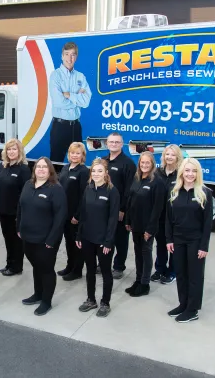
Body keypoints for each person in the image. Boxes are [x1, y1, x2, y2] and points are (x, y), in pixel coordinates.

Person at [17, 157, 67, 316]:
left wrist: (52, 240)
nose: (41, 169)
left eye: (45, 167)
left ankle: (46, 301)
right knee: (36, 266)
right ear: (34, 169)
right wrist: (19, 227)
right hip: (27, 236)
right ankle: (37, 294)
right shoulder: (28, 185)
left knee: (46, 269)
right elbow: (21, 207)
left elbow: (60, 217)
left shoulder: (55, 189)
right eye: (38, 167)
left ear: (50, 170)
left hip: (46, 240)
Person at [166, 158, 214, 323]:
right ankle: (183, 304)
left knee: (194, 276)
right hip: (178, 240)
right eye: (187, 170)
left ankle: (192, 309)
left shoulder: (204, 193)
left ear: (198, 173)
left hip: (195, 241)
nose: (190, 174)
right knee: (180, 273)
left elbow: (208, 223)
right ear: (181, 172)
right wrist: (169, 239)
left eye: (194, 171)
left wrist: (204, 246)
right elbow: (168, 218)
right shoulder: (174, 191)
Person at [76, 158, 119, 317]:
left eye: (100, 171)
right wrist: (79, 235)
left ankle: (105, 302)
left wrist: (108, 241)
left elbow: (113, 219)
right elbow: (83, 214)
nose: (96, 174)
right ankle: (91, 299)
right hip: (87, 237)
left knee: (106, 272)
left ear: (106, 173)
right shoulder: (88, 188)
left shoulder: (112, 191)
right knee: (90, 269)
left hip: (103, 241)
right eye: (93, 171)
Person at [124, 151, 166, 297]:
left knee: (145, 253)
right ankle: (138, 280)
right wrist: (128, 220)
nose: (144, 165)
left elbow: (157, 208)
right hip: (135, 224)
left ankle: (145, 283)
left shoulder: (157, 182)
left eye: (147, 163)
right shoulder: (136, 178)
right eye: (142, 163)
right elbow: (130, 201)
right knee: (137, 253)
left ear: (152, 164)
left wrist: (150, 228)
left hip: (147, 226)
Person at [48, 42, 92, 163]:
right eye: (66, 54)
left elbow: (87, 102)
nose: (69, 58)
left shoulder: (80, 76)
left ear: (76, 57)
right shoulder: (55, 76)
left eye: (72, 55)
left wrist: (69, 95)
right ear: (62, 56)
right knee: (56, 163)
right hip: (60, 127)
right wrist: (78, 99)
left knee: (78, 163)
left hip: (76, 127)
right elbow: (58, 102)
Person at [0, 138, 31, 277]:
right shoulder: (3, 167)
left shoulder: (23, 169)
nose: (11, 152)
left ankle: (16, 267)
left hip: (16, 213)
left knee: (16, 240)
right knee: (7, 239)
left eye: (14, 149)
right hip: (3, 211)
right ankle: (9, 263)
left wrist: (21, 213)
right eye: (9, 149)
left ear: (19, 151)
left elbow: (25, 193)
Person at [102, 132, 136, 279]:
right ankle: (103, 263)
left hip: (120, 210)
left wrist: (123, 209)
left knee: (120, 239)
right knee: (104, 237)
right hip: (102, 208)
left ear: (122, 144)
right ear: (107, 143)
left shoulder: (128, 164)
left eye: (117, 142)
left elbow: (130, 189)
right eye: (111, 142)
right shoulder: (103, 162)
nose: (114, 144)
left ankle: (119, 266)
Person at [57, 142, 89, 281]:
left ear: (82, 155)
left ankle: (77, 270)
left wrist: (78, 215)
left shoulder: (83, 171)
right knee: (68, 242)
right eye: (72, 153)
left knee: (76, 243)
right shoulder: (65, 168)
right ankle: (69, 266)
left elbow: (84, 195)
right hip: (64, 213)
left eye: (77, 153)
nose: (74, 155)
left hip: (75, 215)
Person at [153, 144, 183, 285]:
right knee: (161, 244)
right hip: (160, 216)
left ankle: (172, 271)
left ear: (177, 157)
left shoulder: (181, 174)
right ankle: (160, 269)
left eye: (172, 155)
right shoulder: (158, 172)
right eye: (167, 154)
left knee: (174, 245)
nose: (169, 157)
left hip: (175, 217)